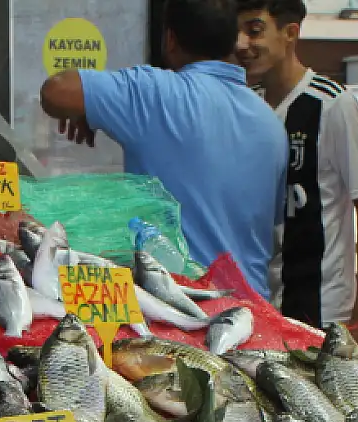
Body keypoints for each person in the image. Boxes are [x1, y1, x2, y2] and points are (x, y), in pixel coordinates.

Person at [39, 0, 287, 294]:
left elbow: (55, 91)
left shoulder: (154, 93)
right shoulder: (270, 122)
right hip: (254, 315)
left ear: (170, 40)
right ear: (232, 42)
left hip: (183, 308)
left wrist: (88, 109)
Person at [236, 0, 358, 350]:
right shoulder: (246, 105)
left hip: (324, 312)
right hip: (261, 307)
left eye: (255, 30)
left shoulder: (332, 104)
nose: (243, 44)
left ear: (291, 33)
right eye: (237, 32)